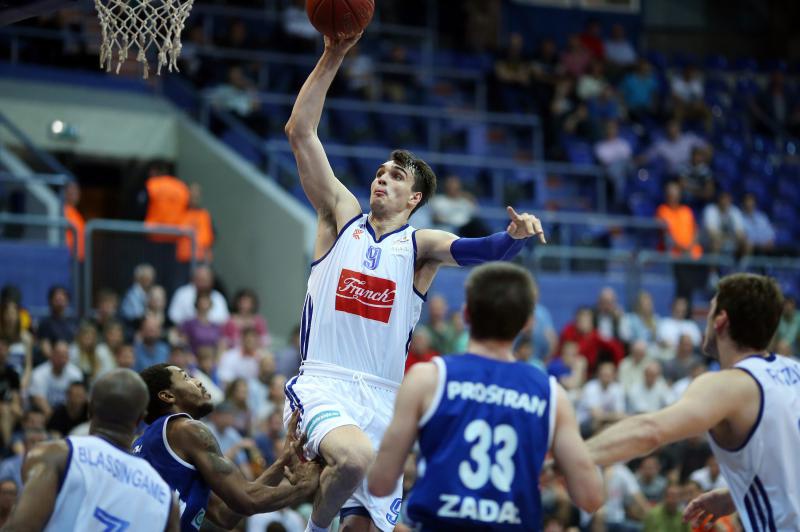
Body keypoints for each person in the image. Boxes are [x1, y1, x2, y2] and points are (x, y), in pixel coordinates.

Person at [283, 32, 546, 532]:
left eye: (396, 177)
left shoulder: (418, 247)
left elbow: (479, 251)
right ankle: (313, 528)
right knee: (355, 459)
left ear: (415, 198)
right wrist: (333, 53)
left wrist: (513, 237)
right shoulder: (341, 217)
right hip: (323, 382)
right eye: (379, 172)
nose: (381, 179)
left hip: (384, 398)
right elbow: (300, 131)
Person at [367, 263, 603, 530]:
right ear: (528, 323)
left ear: (466, 314)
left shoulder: (428, 379)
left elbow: (380, 483)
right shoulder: (551, 394)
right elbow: (591, 498)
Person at [587, 273, 800, 530]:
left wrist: (577, 456)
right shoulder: (794, 371)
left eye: (710, 312)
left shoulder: (729, 384)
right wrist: (737, 495)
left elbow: (650, 432)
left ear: (720, 321)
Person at [135, 363, 319, 531]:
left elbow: (226, 514)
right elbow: (247, 500)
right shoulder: (185, 429)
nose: (198, 382)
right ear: (167, 396)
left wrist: (282, 463)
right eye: (186, 378)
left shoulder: (151, 443)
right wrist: (305, 487)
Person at [0, 369, 181, 531]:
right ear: (141, 417)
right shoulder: (166, 498)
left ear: (90, 409)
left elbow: (21, 527)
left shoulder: (56, 455)